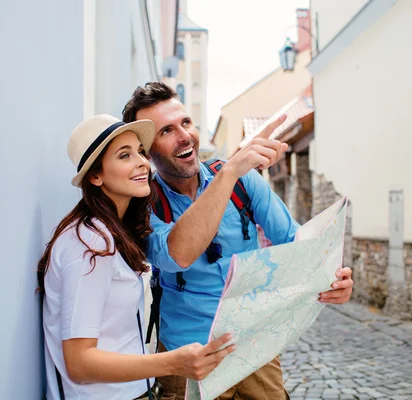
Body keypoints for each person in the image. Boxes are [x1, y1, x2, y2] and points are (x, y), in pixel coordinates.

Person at [122, 82, 354, 400]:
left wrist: (332, 275)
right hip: (188, 356)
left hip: (255, 345)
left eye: (186, 123)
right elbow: (175, 256)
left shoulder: (244, 180)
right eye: (166, 131)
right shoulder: (143, 203)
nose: (184, 136)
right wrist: (228, 172)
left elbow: (295, 242)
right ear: (147, 153)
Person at [37, 114, 235, 400]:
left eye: (141, 152)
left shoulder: (113, 233)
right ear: (96, 175)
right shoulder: (90, 242)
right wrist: (173, 362)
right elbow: (79, 363)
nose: (142, 162)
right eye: (125, 155)